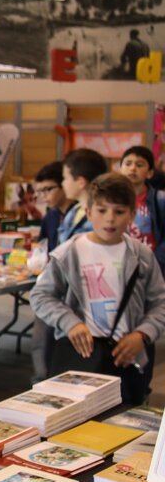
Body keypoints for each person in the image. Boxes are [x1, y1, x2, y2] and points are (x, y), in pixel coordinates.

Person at [31, 172, 165, 405]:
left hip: (128, 355)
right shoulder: (69, 252)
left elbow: (160, 302)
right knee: (74, 421)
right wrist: (69, 322)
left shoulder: (141, 255)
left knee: (124, 419)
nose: (110, 219)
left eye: (119, 211)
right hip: (80, 353)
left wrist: (142, 334)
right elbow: (41, 295)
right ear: (89, 212)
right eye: (102, 210)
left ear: (132, 215)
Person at [31, 161, 74, 383]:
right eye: (40, 191)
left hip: (73, 289)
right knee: (42, 338)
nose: (44, 195)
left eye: (49, 189)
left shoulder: (80, 216)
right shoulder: (50, 216)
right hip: (50, 286)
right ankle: (41, 381)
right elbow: (43, 246)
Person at [120, 145, 165, 272]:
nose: (133, 168)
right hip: (121, 266)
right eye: (128, 164)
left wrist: (155, 262)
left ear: (150, 173)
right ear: (120, 168)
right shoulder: (111, 199)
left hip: (153, 267)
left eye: (139, 165)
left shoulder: (161, 200)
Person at [59, 148, 109, 245]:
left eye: (65, 178)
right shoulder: (74, 210)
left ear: (81, 182)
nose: (63, 183)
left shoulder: (101, 216)